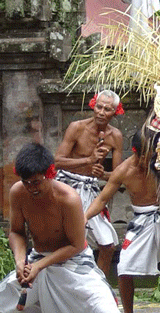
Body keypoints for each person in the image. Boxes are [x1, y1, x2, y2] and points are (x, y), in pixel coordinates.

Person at [1, 142, 149, 313]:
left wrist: (40, 266)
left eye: (36, 182)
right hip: (38, 258)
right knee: (3, 297)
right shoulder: (18, 192)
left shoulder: (69, 199)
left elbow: (77, 245)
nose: (31, 188)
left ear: (50, 173)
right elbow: (16, 232)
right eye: (26, 182)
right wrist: (20, 261)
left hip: (75, 260)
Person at [85, 130, 160, 313]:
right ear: (136, 152)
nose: (151, 158)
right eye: (147, 155)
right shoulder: (124, 171)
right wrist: (83, 218)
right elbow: (102, 199)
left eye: (154, 153)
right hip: (142, 221)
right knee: (124, 267)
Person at [54, 90, 124, 276]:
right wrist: (88, 160)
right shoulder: (76, 127)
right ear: (93, 105)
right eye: (99, 107)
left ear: (115, 112)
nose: (101, 112)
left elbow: (117, 176)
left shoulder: (115, 136)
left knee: (108, 245)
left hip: (91, 190)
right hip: (67, 187)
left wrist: (103, 173)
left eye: (107, 109)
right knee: (68, 242)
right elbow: (58, 162)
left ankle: (98, 286)